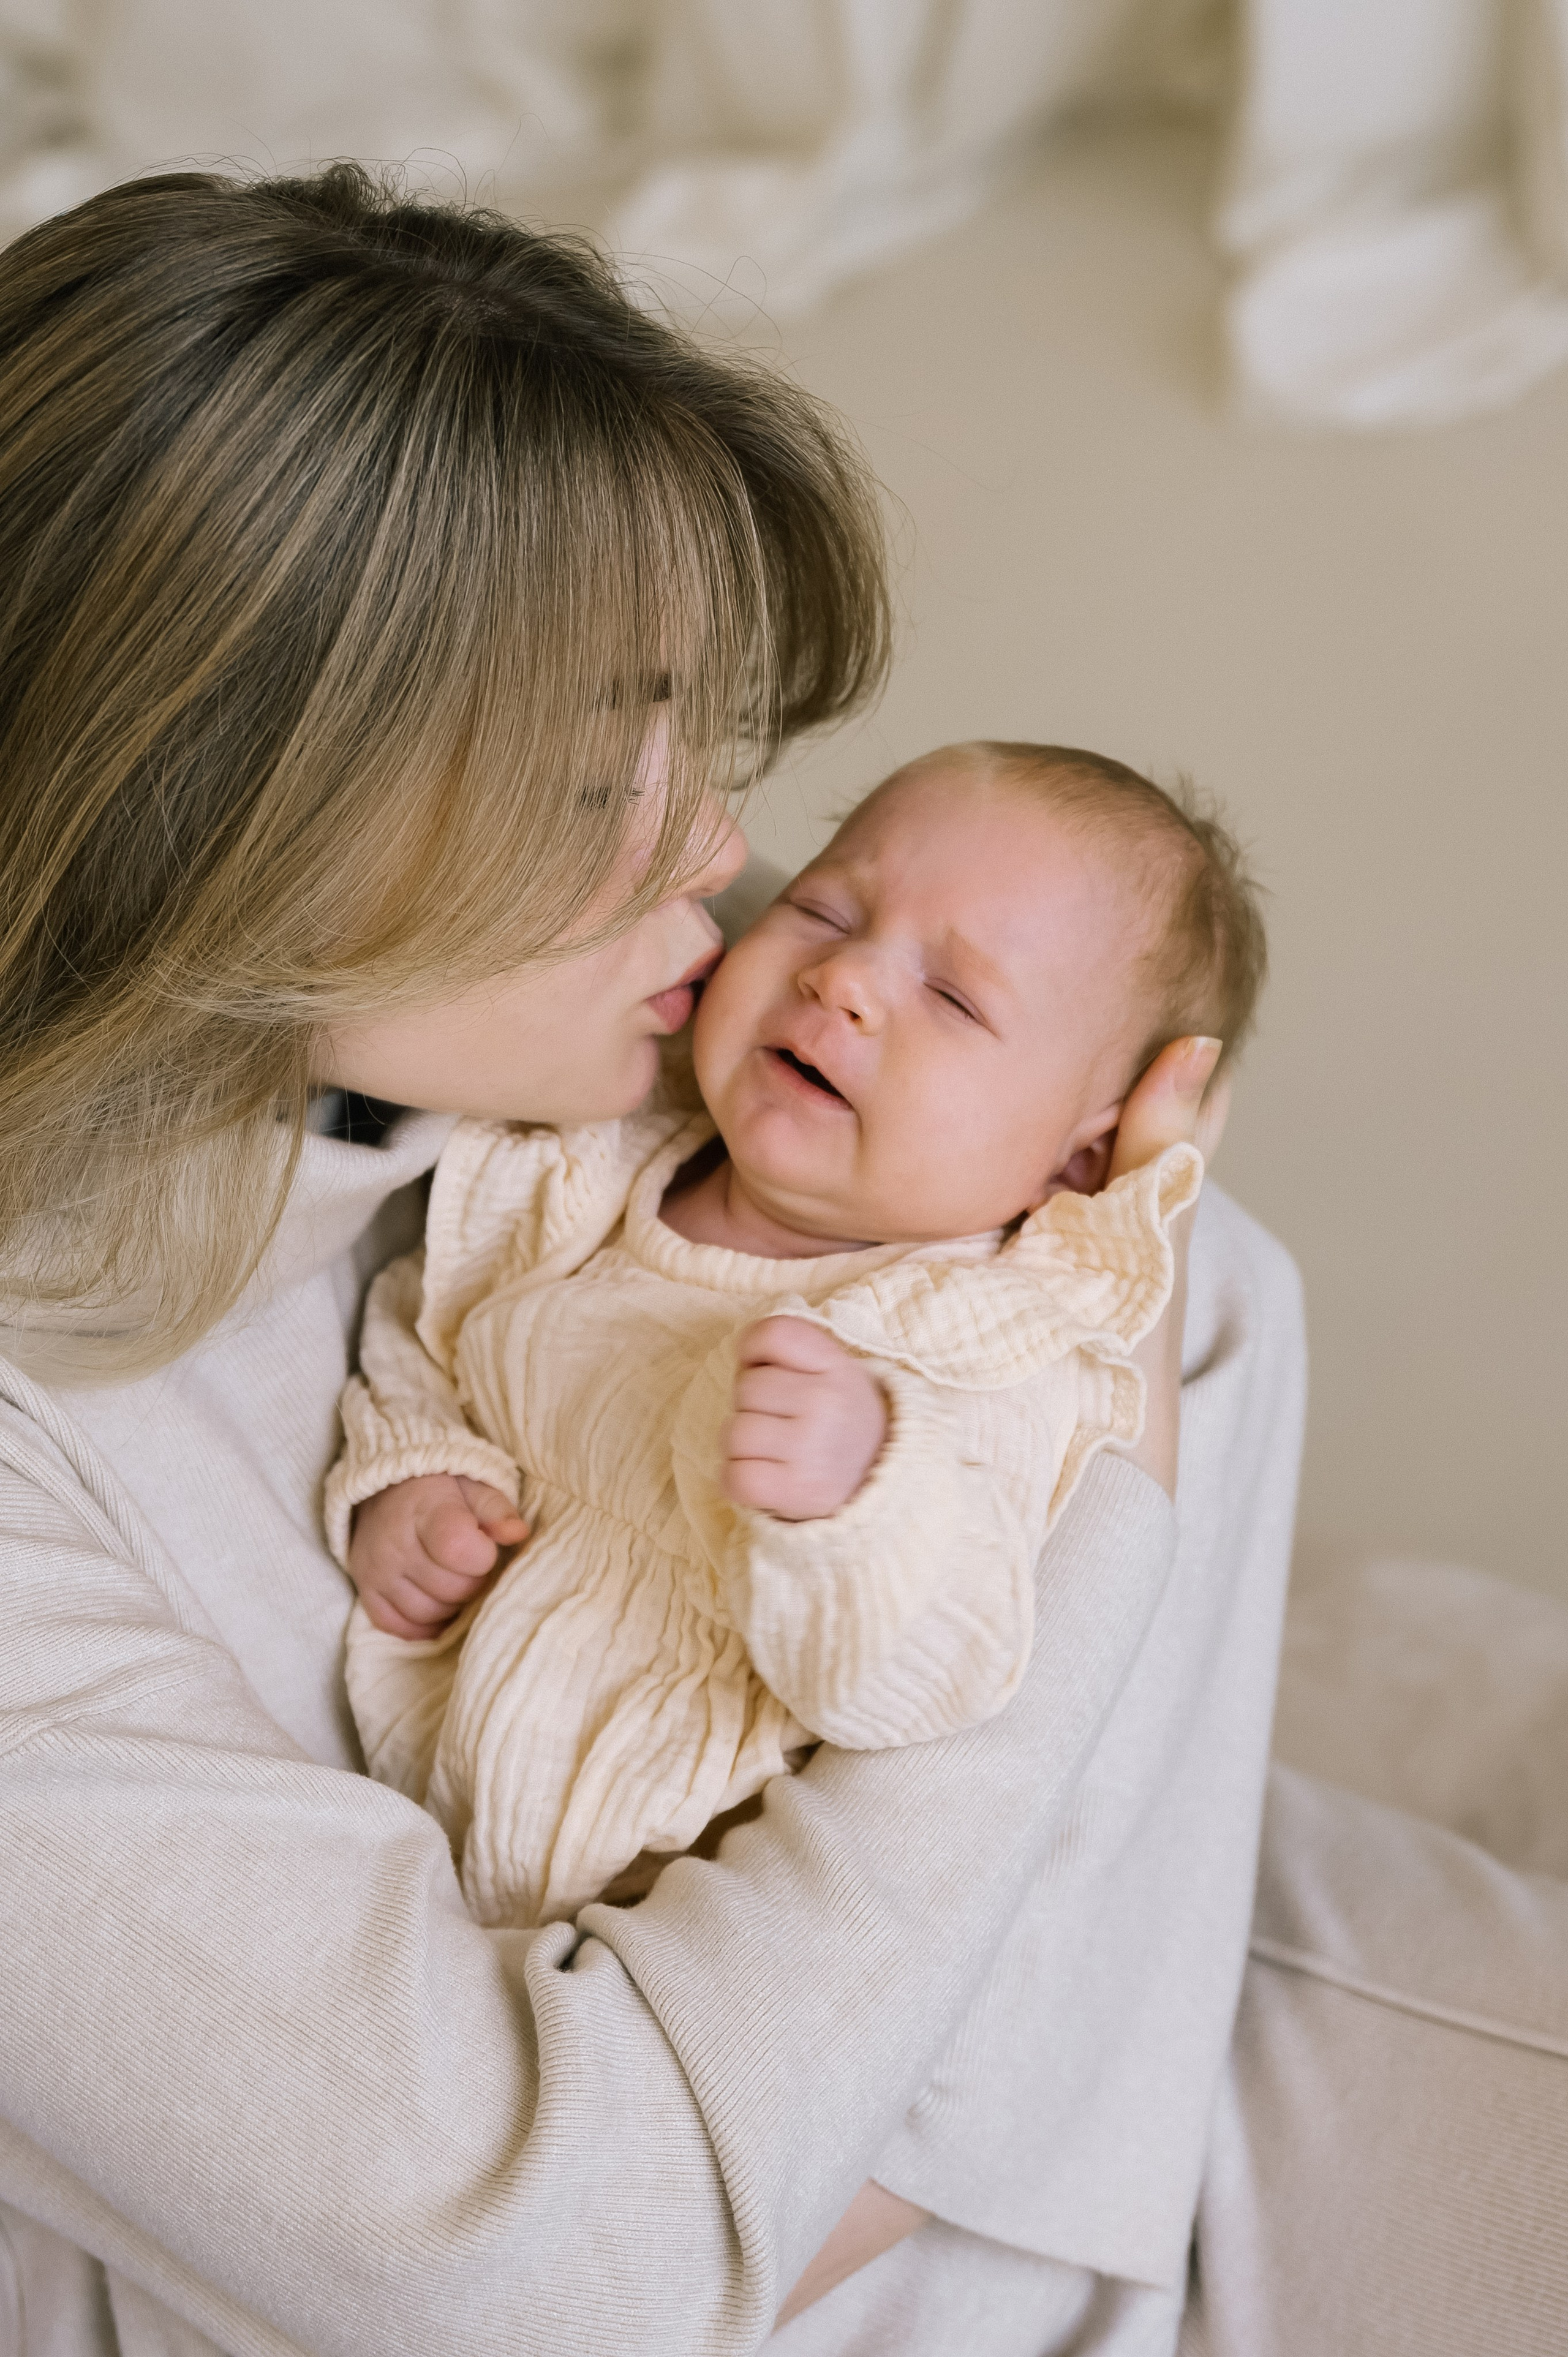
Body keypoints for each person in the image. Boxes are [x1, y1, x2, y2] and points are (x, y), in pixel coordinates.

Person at [0, 163, 1303, 2356]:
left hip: (934, 2162)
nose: (721, 849)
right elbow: (569, 2261)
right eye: (617, 767)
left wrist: (848, 2143)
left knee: (1158, 1256)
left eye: (707, 745)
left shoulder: (566, 1004)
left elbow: (1184, 1266)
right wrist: (1083, 1572)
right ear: (251, 816)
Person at [328, 742, 1261, 1937]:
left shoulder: (984, 1349)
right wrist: (410, 1475)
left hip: (675, 1911)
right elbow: (431, 1318)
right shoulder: (582, 1166)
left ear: (1077, 1157)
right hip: (423, 1816)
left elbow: (939, 1676)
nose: (844, 980)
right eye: (824, 906)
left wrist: (858, 1496)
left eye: (954, 996)